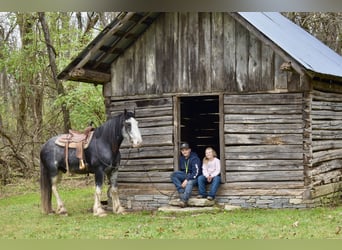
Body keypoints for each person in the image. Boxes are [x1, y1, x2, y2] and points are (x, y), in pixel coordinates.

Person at [170, 142, 202, 207]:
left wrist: (187, 180)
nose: (184, 152)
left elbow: (196, 173)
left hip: (195, 177)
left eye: (186, 150)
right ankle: (181, 192)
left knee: (189, 182)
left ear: (189, 150)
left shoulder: (195, 158)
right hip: (186, 175)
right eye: (183, 150)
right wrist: (185, 178)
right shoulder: (182, 159)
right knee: (174, 175)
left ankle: (184, 201)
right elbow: (183, 171)